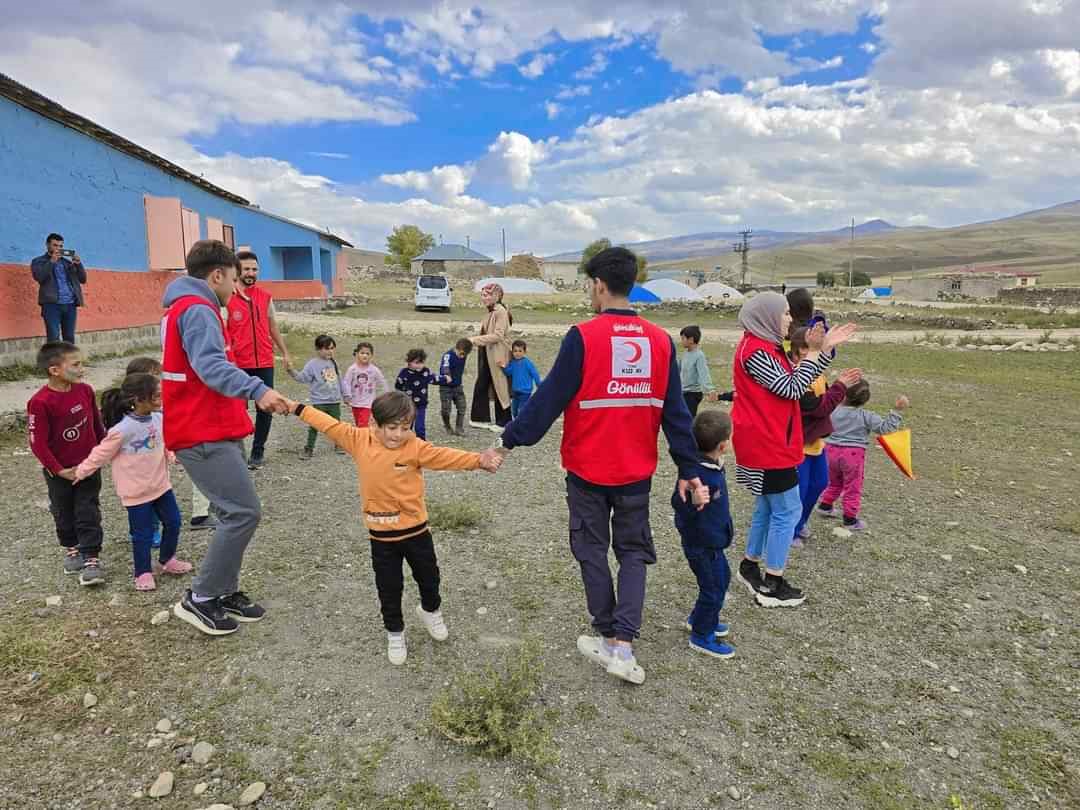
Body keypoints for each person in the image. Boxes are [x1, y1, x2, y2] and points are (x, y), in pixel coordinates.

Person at [497, 247, 708, 685]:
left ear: (598, 285)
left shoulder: (583, 336)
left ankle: (608, 633)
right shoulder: (660, 341)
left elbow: (548, 400)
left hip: (588, 473)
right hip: (636, 474)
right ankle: (623, 645)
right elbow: (676, 415)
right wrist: (690, 469)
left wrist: (509, 440)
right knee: (633, 552)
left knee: (591, 550)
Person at [286, 391, 503, 665]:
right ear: (373, 424)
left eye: (404, 428)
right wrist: (296, 407)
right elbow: (327, 423)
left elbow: (444, 456)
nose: (398, 434)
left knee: (430, 578)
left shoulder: (415, 447)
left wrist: (478, 460)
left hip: (417, 533)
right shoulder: (358, 440)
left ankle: (431, 612)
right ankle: (395, 632)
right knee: (389, 587)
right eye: (391, 427)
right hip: (381, 538)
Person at [162, 239, 291, 636]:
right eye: (234, 279)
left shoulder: (185, 307)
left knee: (230, 513)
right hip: (201, 429)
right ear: (216, 275)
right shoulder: (198, 309)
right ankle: (200, 597)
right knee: (243, 512)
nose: (237, 288)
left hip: (213, 424)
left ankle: (223, 589)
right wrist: (259, 390)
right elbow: (211, 367)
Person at [730, 293, 856, 608]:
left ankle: (749, 566)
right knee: (787, 510)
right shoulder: (757, 351)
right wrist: (816, 352)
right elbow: (791, 389)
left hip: (773, 440)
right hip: (768, 443)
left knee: (768, 508)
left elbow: (794, 380)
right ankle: (772, 583)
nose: (789, 319)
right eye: (784, 314)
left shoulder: (767, 347)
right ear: (766, 316)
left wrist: (821, 352)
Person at [74, 373, 192, 591]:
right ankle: (142, 572)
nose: (161, 398)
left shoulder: (159, 418)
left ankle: (166, 560)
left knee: (174, 522)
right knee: (142, 534)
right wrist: (80, 472)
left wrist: (173, 456)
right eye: (156, 395)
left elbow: (164, 442)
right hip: (135, 492)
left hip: (161, 486)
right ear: (138, 399)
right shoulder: (122, 430)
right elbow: (100, 454)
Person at [27, 341, 106, 586]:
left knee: (88, 510)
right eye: (76, 364)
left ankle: (91, 557)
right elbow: (37, 443)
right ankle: (71, 548)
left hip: (88, 467)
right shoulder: (40, 402)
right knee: (63, 511)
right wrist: (60, 470)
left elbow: (96, 425)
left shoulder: (85, 391)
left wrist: (102, 452)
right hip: (59, 472)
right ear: (55, 370)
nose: (82, 368)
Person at [786, 329, 860, 546]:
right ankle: (791, 529)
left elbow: (826, 404)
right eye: (816, 345)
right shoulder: (798, 377)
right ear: (801, 351)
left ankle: (800, 523)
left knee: (819, 483)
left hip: (816, 442)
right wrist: (840, 386)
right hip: (800, 445)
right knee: (801, 489)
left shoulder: (817, 374)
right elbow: (818, 408)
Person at [672, 410, 736, 660]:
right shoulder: (695, 474)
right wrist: (691, 501)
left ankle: (699, 618)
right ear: (722, 445)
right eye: (730, 438)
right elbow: (677, 502)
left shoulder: (712, 464)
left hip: (713, 541)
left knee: (720, 580)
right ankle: (701, 635)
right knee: (714, 588)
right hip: (702, 545)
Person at [226, 251, 291, 470]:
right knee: (237, 409)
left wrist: (285, 352)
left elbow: (273, 326)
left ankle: (257, 452)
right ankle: (236, 451)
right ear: (237, 271)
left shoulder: (265, 297)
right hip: (239, 363)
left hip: (264, 361)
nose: (251, 273)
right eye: (246, 269)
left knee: (266, 408)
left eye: (254, 269)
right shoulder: (228, 298)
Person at [818, 382, 909, 530]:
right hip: (853, 456)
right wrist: (897, 411)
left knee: (834, 481)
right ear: (865, 400)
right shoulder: (867, 416)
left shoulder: (832, 410)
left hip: (830, 451)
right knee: (853, 486)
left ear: (843, 395)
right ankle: (849, 520)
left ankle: (825, 505)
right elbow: (886, 429)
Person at [287, 334, 345, 459]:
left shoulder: (333, 362)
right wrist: (291, 371)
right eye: (327, 348)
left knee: (336, 424)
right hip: (319, 401)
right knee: (314, 425)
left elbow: (339, 379)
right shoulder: (312, 364)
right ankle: (309, 448)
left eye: (332, 348)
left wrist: (345, 394)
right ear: (318, 349)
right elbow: (303, 378)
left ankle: (339, 444)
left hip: (334, 400)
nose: (330, 351)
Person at [468, 283, 512, 431]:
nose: (484, 298)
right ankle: (479, 418)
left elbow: (498, 335)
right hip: (487, 352)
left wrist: (474, 340)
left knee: (500, 386)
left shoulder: (501, 312)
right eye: (483, 295)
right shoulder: (490, 311)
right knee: (483, 383)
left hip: (498, 354)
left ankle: (504, 421)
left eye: (487, 295)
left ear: (497, 296)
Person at [31, 233, 87, 343]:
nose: (58, 248)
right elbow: (39, 277)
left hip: (70, 305)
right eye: (55, 245)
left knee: (69, 337)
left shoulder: (67, 263)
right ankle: (53, 360)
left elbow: (83, 279)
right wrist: (51, 261)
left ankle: (69, 360)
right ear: (47, 245)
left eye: (61, 246)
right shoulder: (38, 261)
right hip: (51, 305)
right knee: (53, 337)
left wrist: (78, 264)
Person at [678, 325, 732, 416]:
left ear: (691, 340)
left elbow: (703, 373)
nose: (681, 341)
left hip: (693, 393)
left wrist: (710, 389)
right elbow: (679, 370)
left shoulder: (699, 356)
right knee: (682, 417)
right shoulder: (685, 354)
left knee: (689, 418)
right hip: (683, 392)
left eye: (683, 338)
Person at [342, 342, 389, 428]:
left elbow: (382, 381)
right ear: (357, 354)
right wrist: (347, 395)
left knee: (362, 425)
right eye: (362, 353)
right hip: (355, 402)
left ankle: (362, 440)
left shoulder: (374, 370)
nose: (365, 356)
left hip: (368, 403)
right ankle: (366, 438)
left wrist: (386, 395)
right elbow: (346, 383)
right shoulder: (352, 369)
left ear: (371, 355)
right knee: (358, 423)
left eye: (367, 353)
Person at [395, 349, 437, 440]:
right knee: (407, 426)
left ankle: (422, 445)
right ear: (409, 362)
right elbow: (398, 386)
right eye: (416, 362)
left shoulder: (425, 371)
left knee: (420, 428)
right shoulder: (404, 373)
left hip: (421, 404)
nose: (419, 365)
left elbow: (433, 378)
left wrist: (446, 379)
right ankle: (405, 442)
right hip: (408, 405)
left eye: (421, 362)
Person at [437, 338, 473, 436]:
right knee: (446, 409)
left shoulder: (463, 355)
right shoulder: (448, 356)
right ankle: (447, 426)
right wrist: (447, 375)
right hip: (446, 387)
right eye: (461, 354)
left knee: (462, 406)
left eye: (464, 355)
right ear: (456, 348)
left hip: (457, 386)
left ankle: (459, 427)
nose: (462, 356)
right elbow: (445, 366)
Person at [501, 339, 542, 419]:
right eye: (515, 351)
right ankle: (517, 421)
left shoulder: (527, 363)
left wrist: (539, 384)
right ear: (512, 352)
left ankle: (522, 423)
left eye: (520, 351)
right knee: (514, 410)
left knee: (522, 409)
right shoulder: (512, 362)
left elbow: (535, 374)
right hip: (515, 391)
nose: (517, 353)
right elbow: (508, 372)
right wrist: (503, 367)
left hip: (525, 392)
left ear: (524, 352)